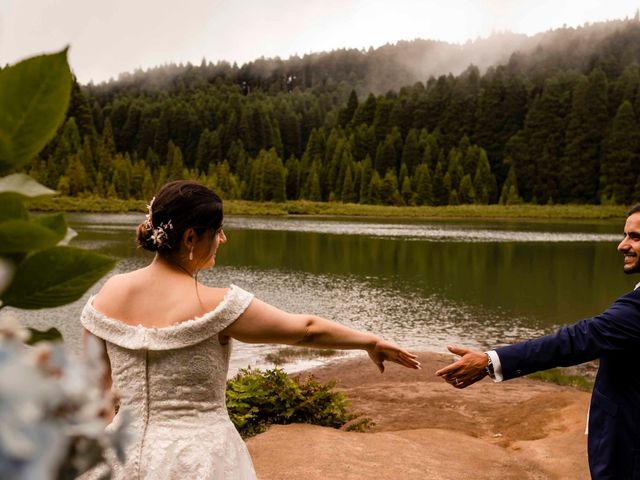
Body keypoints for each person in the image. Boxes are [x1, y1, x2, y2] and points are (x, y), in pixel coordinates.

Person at [79, 180, 420, 480]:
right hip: (201, 458)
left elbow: (97, 394)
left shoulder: (108, 294)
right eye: (219, 231)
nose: (223, 239)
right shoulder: (215, 304)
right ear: (190, 237)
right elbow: (306, 330)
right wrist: (370, 341)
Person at [435, 203, 640, 479]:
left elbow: (574, 340)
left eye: (635, 237)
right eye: (625, 234)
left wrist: (489, 361)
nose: (622, 245)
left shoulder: (635, 311)